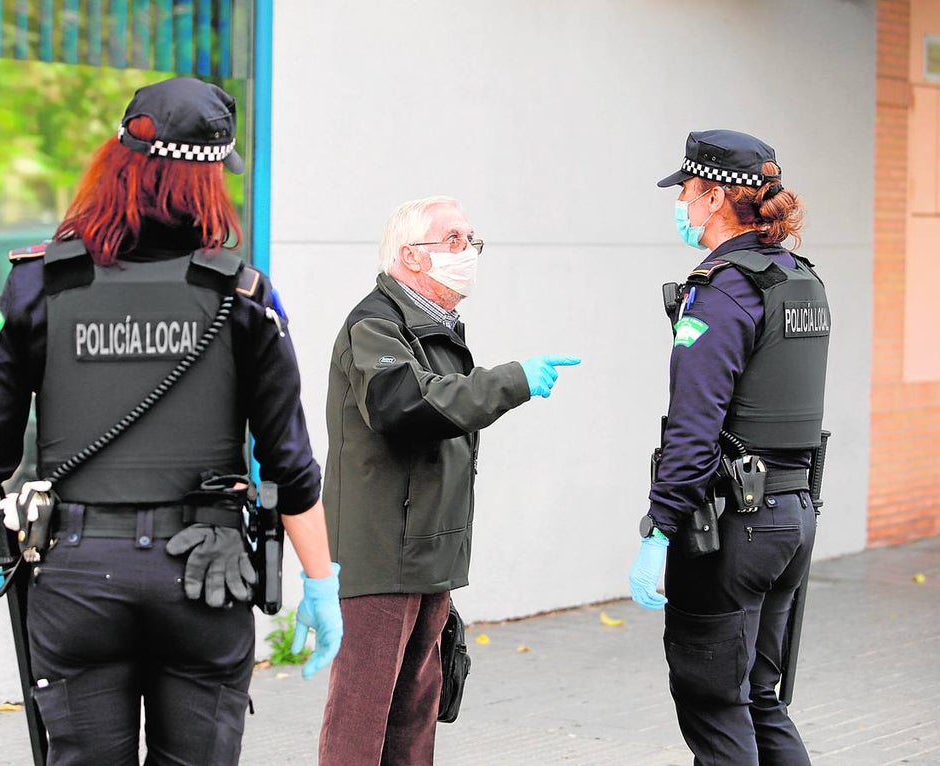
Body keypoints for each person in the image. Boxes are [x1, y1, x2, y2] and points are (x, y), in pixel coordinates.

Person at [0, 76, 342, 765]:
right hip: (203, 578)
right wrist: (321, 580)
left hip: (76, 577)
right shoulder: (243, 295)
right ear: (210, 180)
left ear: (115, 161)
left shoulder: (38, 283)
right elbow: (290, 462)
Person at [319, 196, 580, 765]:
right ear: (412, 256)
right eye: (455, 240)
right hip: (381, 554)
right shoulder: (376, 325)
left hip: (427, 553)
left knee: (413, 716)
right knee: (361, 721)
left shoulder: (437, 329)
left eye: (472, 240)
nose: (469, 251)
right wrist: (511, 381)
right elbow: (402, 405)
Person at [629, 129, 830, 765]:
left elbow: (693, 430)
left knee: (715, 704)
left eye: (686, 192)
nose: (682, 206)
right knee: (760, 700)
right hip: (792, 518)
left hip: (730, 529)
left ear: (715, 197)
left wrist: (659, 529)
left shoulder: (721, 290)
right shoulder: (801, 282)